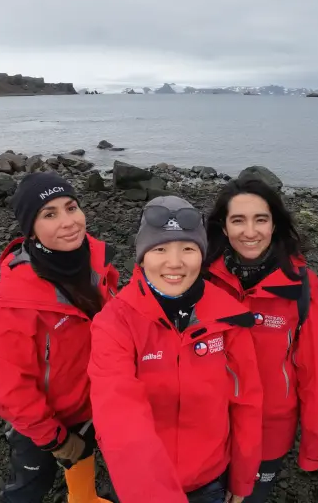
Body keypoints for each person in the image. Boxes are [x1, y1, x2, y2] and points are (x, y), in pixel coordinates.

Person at [89, 196, 264, 503]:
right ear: (142, 257)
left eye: (188, 248)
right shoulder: (115, 322)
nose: (174, 262)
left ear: (202, 255)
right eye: (160, 249)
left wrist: (243, 477)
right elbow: (119, 415)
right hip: (141, 486)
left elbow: (246, 401)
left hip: (209, 479)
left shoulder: (228, 316)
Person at [0, 172, 119, 503]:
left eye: (71, 208)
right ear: (31, 228)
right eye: (50, 214)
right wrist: (54, 439)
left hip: (95, 402)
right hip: (44, 422)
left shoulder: (97, 262)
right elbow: (10, 390)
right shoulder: (10, 301)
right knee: (29, 488)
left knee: (86, 458)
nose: (68, 222)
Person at [203, 178, 318, 502]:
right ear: (223, 226)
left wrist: (312, 447)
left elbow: (315, 374)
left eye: (260, 219)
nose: (250, 232)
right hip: (210, 424)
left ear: (275, 224)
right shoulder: (201, 279)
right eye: (238, 220)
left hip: (270, 429)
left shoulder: (303, 288)